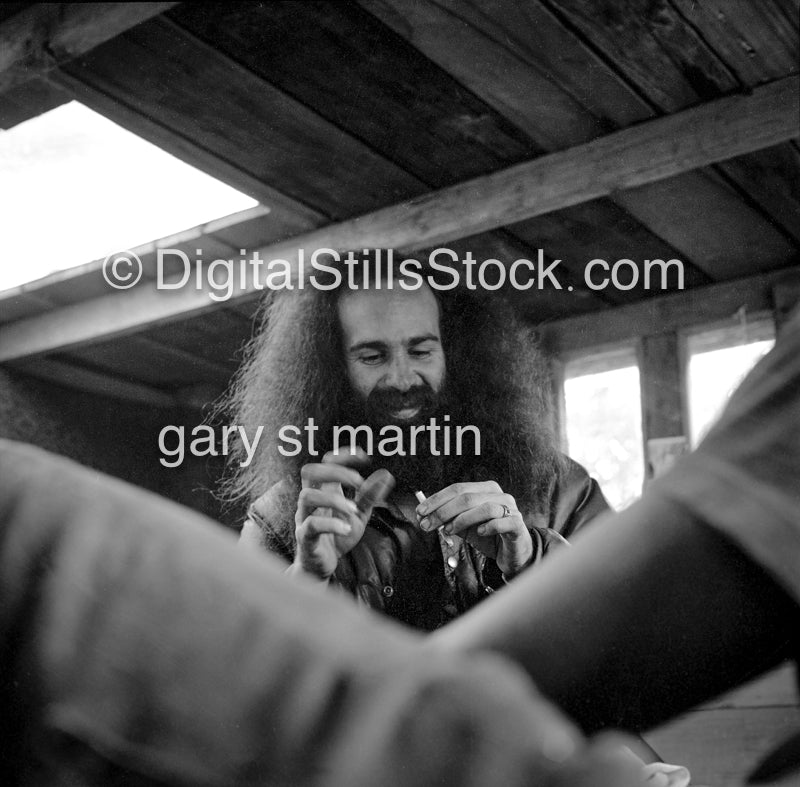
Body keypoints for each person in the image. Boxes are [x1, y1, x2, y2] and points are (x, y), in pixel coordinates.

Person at [228, 254, 608, 628]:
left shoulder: (559, 487)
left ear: (455, 354)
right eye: (373, 356)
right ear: (330, 371)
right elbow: (238, 672)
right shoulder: (282, 520)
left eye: (421, 351)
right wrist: (307, 582)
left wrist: (531, 559)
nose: (402, 378)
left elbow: (633, 630)